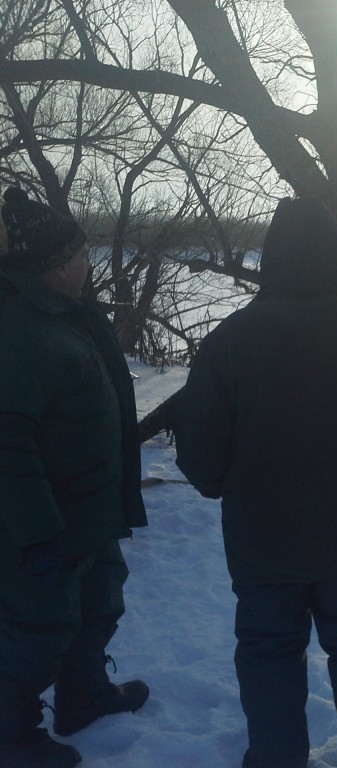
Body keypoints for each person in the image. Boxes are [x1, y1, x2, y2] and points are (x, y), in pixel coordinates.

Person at [173, 197, 337, 768]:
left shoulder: (231, 338)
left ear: (272, 260)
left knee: (269, 650)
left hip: (265, 540)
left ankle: (276, 757)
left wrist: (227, 482)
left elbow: (199, 450)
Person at [0, 187, 149, 768]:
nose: (89, 263)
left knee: (97, 604)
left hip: (88, 509)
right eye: (82, 254)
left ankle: (83, 695)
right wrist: (37, 532)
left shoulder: (65, 312)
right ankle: (11, 736)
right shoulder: (20, 328)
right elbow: (7, 442)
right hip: (47, 520)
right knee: (38, 628)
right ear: (56, 263)